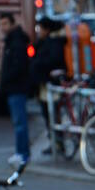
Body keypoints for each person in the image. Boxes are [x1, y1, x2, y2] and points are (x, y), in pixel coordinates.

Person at [0, 11, 32, 167]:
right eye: (0, 24)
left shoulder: (16, 42)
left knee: (19, 122)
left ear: (12, 23)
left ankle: (23, 154)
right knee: (18, 122)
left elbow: (18, 66)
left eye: (5, 23)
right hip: (14, 87)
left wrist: (6, 79)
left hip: (16, 87)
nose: (2, 27)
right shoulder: (12, 40)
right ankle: (21, 152)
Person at [29, 16, 67, 156]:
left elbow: (52, 60)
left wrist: (38, 64)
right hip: (45, 84)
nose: (39, 31)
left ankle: (57, 143)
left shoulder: (53, 43)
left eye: (40, 28)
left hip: (50, 85)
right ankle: (56, 142)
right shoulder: (47, 42)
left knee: (52, 114)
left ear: (47, 29)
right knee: (50, 115)